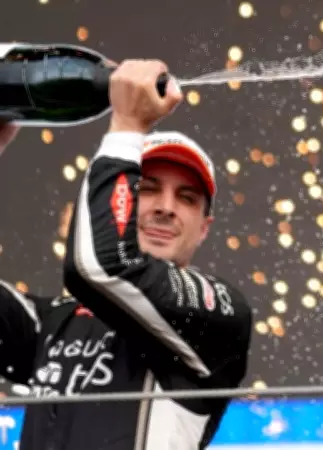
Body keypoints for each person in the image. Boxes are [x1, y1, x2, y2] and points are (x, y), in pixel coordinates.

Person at [0, 60, 253, 449]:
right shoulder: (55, 322)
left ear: (204, 228)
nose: (166, 207)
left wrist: (128, 127)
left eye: (186, 198)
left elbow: (105, 268)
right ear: (118, 202)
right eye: (148, 188)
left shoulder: (219, 317)